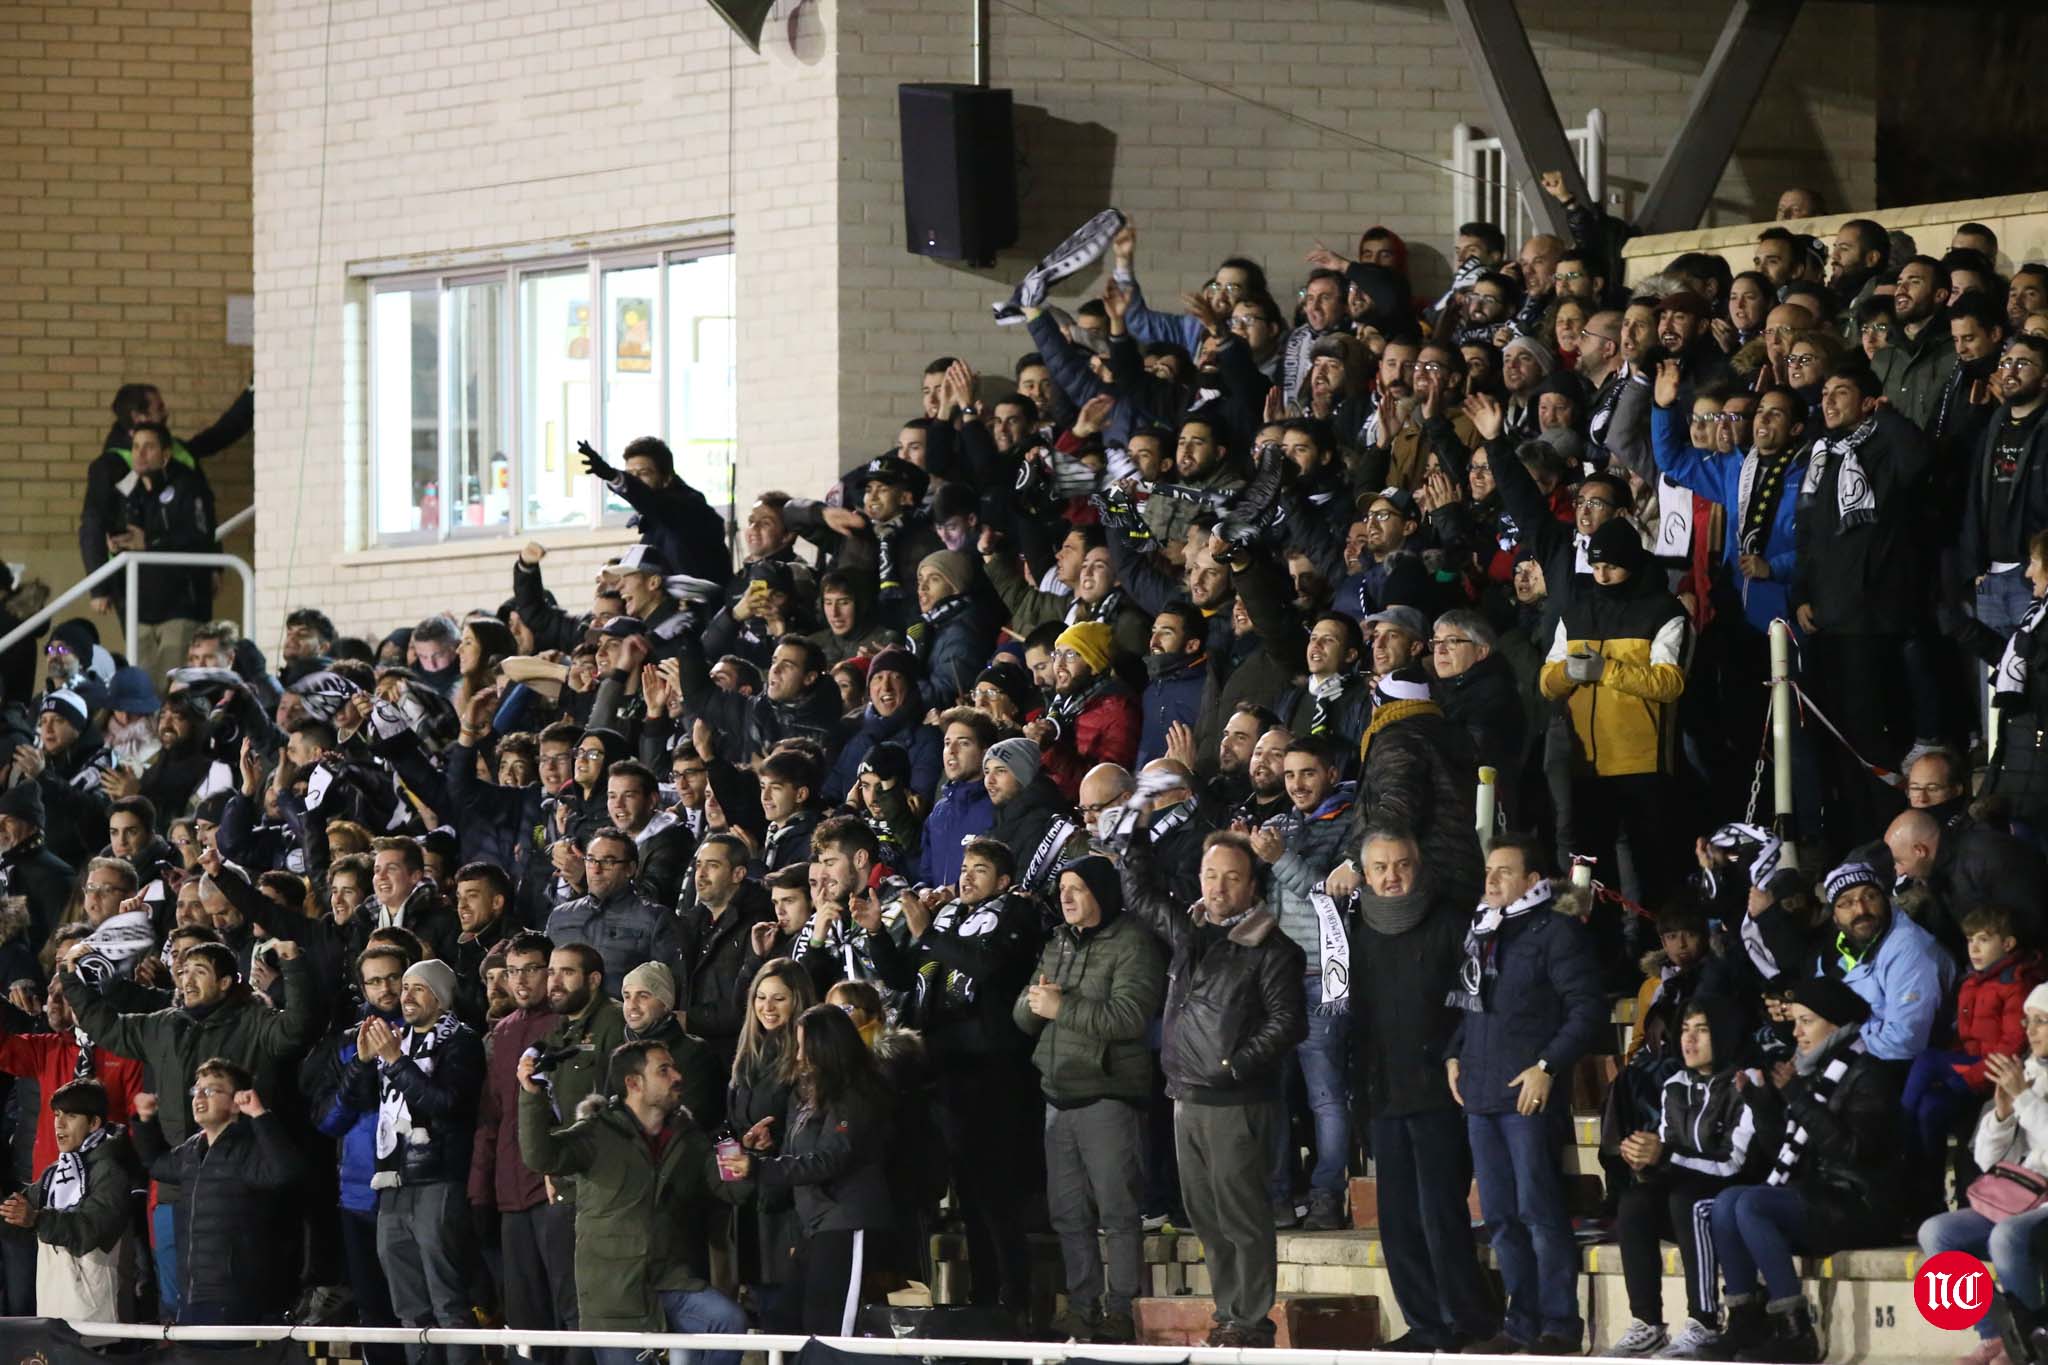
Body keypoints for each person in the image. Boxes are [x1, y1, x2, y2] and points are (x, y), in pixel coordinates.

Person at [1116, 826, 1307, 1347]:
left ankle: (1250, 1321)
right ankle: (1229, 1315)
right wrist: (1134, 836)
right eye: (1210, 875)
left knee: (1241, 1217)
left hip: (1237, 1102)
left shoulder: (1273, 948)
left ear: (1251, 885)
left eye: (1232, 878)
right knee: (1206, 1219)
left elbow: (1289, 1022)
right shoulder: (1190, 931)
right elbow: (1139, 895)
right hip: (1187, 1098)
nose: (1218, 887)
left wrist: (1235, 1064)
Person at [59, 937, 316, 1320]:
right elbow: (107, 1026)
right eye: (182, 972)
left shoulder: (255, 1020)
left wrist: (294, 967)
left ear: (227, 981)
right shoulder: (164, 1024)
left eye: (200, 971)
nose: (187, 979)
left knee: (235, 1293)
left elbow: (298, 1028)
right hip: (177, 1177)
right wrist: (72, 981)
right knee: (177, 1299)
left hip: (240, 1179)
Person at [1445, 836, 1606, 1355]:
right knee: (1500, 1219)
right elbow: (1470, 1006)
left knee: (1538, 1212)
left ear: (1533, 881)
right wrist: (1454, 1052)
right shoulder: (1482, 930)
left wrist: (1546, 1067)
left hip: (1526, 1097)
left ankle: (1560, 1323)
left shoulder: (1555, 931)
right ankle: (1521, 1323)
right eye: (1488, 870)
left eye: (1505, 872)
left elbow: (1587, 1009)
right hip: (1482, 1094)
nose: (1491, 880)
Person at [1348, 825, 1495, 1351]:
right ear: (1365, 875)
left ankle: (1468, 1321)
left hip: (1441, 1093)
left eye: (1402, 865)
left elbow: (1472, 1005)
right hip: (1383, 1094)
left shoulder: (1454, 926)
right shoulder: (1352, 933)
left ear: (1419, 867)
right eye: (1381, 868)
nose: (1392, 877)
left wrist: (1456, 1057)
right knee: (1398, 1221)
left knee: (1443, 1214)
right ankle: (1426, 1322)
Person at [518, 1038, 752, 1365]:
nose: (677, 1076)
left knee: (728, 1321)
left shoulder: (688, 1136)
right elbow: (540, 1156)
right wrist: (532, 1097)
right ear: (634, 1083)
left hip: (669, 1280)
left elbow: (731, 1191)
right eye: (664, 1070)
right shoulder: (598, 1131)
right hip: (612, 1296)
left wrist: (747, 1159)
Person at [1012, 855, 1164, 1344]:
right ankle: (1082, 1308)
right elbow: (1023, 1014)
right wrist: (1036, 1006)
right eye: (1063, 889)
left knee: (1118, 1213)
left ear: (1102, 891)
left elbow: (1129, 1018)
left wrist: (1062, 1006)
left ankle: (1120, 1310)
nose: (1067, 897)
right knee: (1068, 1216)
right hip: (1058, 1096)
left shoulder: (1134, 942)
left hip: (1107, 1096)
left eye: (1077, 888)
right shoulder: (1058, 943)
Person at [1711, 978, 1903, 1364]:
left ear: (1836, 1024)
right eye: (1795, 1021)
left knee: (1751, 1205)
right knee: (1727, 1201)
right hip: (1820, 1195)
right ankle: (1746, 1320)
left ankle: (1796, 1330)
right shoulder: (1814, 1073)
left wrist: (1798, 1098)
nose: (1796, 1033)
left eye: (1807, 1022)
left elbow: (1853, 1152)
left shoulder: (1870, 1073)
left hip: (1861, 1203)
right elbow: (1785, 1152)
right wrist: (1764, 1106)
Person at [719, 1004, 895, 1337]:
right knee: (784, 1322)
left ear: (827, 1048)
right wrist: (767, 1150)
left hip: (848, 1225)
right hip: (815, 1228)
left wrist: (758, 1167)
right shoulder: (806, 1096)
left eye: (805, 1047)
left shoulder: (855, 1095)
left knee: (830, 1333)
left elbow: (830, 1159)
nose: (799, 1056)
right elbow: (799, 1157)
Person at [1609, 997, 1768, 1359]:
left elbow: (1734, 1165)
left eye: (1702, 1030)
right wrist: (1642, 1159)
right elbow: (1671, 1154)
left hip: (1734, 1198)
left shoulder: (1747, 1081)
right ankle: (1647, 1324)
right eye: (1684, 1030)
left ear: (1724, 1035)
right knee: (1634, 1202)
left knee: (1688, 1201)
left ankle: (1704, 1323)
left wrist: (1664, 1155)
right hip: (1687, 1188)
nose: (1689, 1040)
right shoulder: (1675, 1085)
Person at [348, 957, 485, 1365]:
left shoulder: (461, 1041)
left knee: (447, 1301)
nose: (405, 995)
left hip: (439, 1177)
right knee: (407, 1305)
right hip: (393, 1182)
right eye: (404, 987)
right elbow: (356, 1103)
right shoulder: (397, 1041)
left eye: (417, 988)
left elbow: (446, 1104)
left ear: (441, 998)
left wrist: (395, 1061)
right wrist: (360, 1061)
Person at [1918, 983, 2048, 1365]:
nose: (2031, 1030)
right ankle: (1996, 1335)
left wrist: (2024, 1098)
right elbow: (1987, 1158)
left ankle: (2029, 1346)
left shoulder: (2026, 1082)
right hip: (2025, 1195)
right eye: (2028, 1021)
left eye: (2042, 1022)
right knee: (1936, 1233)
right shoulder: (2026, 1072)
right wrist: (2003, 1113)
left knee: (2008, 1237)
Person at [129, 1057, 306, 1325]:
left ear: (238, 1101)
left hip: (235, 1298)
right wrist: (145, 1121)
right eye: (196, 1089)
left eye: (211, 1090)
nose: (199, 1096)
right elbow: (156, 1164)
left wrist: (259, 1114)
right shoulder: (191, 1149)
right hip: (190, 1295)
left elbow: (286, 1172)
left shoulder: (249, 1147)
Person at [469, 930, 578, 1358]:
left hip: (556, 1190)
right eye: (513, 971)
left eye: (531, 969)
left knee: (568, 1308)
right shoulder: (500, 1035)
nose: (520, 980)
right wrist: (479, 1192)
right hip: (510, 1195)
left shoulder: (566, 1024)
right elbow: (489, 1120)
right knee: (525, 1319)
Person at [0, 1078, 142, 1323]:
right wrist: (12, 1213)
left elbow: (90, 1229)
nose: (59, 1124)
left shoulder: (111, 1171)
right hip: (55, 1310)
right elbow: (15, 1219)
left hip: (98, 1316)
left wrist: (35, 1219)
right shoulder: (54, 1172)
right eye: (56, 1114)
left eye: (71, 1115)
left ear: (94, 1123)